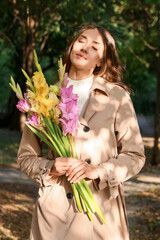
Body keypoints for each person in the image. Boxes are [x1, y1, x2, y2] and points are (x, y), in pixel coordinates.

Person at [17, 24, 145, 240]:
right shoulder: (43, 97)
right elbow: (26, 157)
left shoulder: (117, 96)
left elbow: (135, 156)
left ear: (101, 61)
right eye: (81, 40)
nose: (85, 47)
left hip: (101, 211)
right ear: (72, 47)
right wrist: (51, 167)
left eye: (95, 46)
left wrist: (98, 171)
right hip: (55, 213)